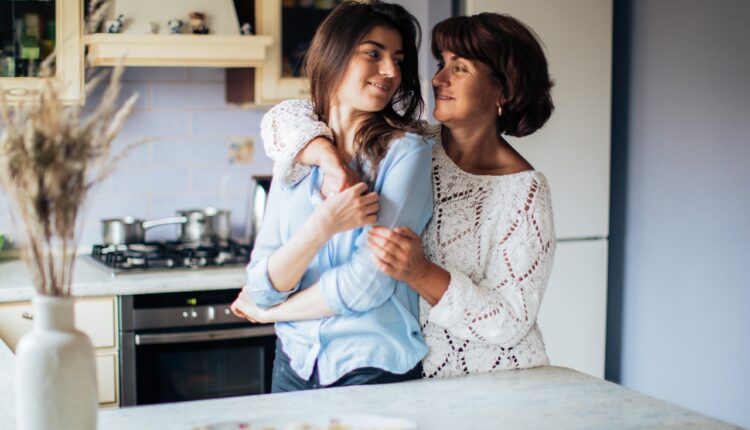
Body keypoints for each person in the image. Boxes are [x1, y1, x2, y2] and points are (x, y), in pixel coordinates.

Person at [238, 12, 557, 378]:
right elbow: (287, 118)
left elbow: (511, 321)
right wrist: (328, 159)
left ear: (504, 89)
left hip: (491, 380)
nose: (438, 78)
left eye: (460, 68)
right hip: (415, 375)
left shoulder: (523, 191)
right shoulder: (417, 143)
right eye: (442, 64)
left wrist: (420, 272)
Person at [231, 1, 434, 392]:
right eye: (373, 53)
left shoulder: (405, 153)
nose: (390, 71)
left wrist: (272, 313)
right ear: (335, 54)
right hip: (294, 362)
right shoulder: (297, 150)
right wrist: (323, 226)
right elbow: (260, 281)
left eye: (398, 59)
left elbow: (369, 284)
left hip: (371, 367)